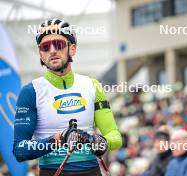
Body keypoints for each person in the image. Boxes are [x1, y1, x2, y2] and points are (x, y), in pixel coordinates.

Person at [12, 19, 122, 176]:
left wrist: (104, 142)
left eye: (58, 44)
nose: (52, 50)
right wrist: (59, 139)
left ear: (73, 48)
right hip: (52, 171)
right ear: (41, 55)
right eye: (45, 47)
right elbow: (19, 150)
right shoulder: (31, 91)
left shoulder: (92, 85)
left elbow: (115, 136)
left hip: (91, 170)